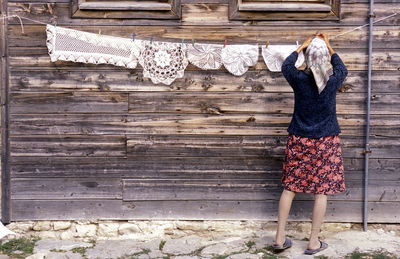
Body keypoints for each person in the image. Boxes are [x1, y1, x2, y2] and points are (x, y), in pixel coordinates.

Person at [272, 33, 348, 255]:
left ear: (307, 58)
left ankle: (279, 239)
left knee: (290, 188)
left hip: (299, 139)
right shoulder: (333, 81)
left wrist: (302, 47)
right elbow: (342, 68)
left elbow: (287, 65)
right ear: (324, 59)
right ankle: (313, 242)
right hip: (326, 141)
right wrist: (329, 47)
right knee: (321, 191)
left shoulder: (298, 79)